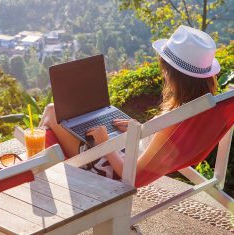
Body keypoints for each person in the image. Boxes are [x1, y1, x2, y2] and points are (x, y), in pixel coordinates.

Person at [39, 25, 220, 180]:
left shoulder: (172, 123)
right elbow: (158, 148)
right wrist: (140, 131)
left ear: (176, 77)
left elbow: (131, 175)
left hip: (111, 168)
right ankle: (42, 160)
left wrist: (104, 144)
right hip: (126, 150)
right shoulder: (202, 110)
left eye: (165, 70)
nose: (164, 74)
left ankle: (37, 167)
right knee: (65, 117)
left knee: (51, 112)